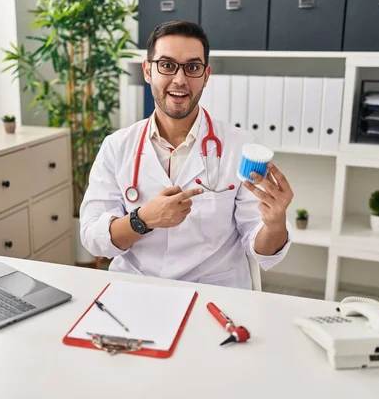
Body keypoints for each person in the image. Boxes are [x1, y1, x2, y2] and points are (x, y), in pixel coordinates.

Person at [79, 20, 293, 289]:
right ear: (147, 70)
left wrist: (275, 224)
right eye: (167, 65)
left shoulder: (240, 146)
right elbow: (92, 237)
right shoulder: (117, 146)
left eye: (192, 67)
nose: (180, 80)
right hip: (137, 289)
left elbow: (260, 246)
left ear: (206, 75)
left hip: (215, 294)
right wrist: (143, 219)